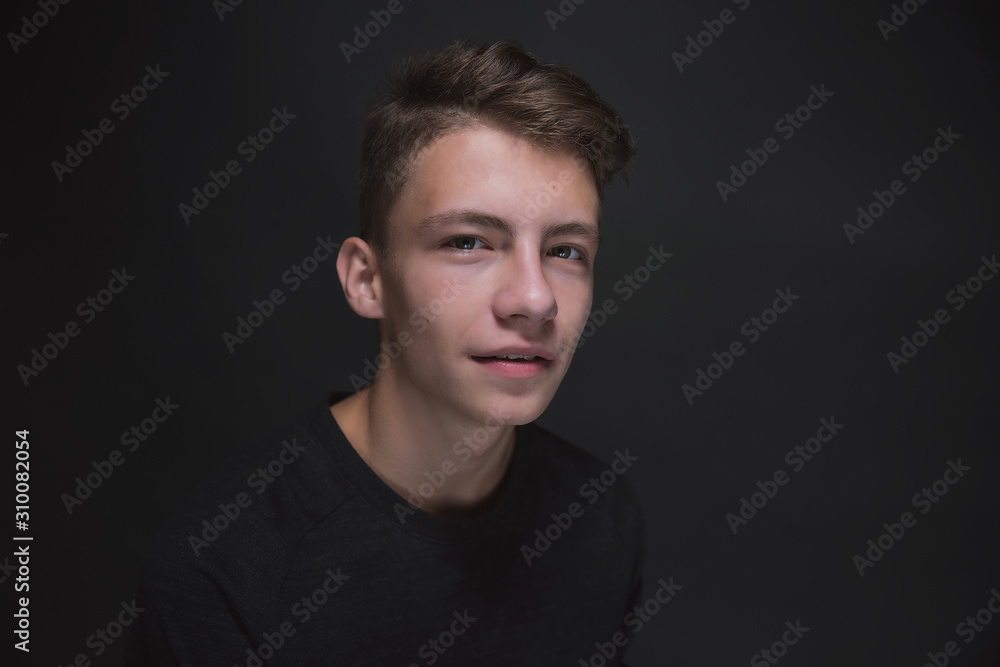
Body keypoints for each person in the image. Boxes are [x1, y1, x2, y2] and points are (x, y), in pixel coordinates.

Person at [125, 39, 644, 666]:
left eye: (565, 251)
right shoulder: (224, 569)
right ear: (367, 280)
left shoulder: (600, 520)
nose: (535, 300)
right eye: (469, 241)